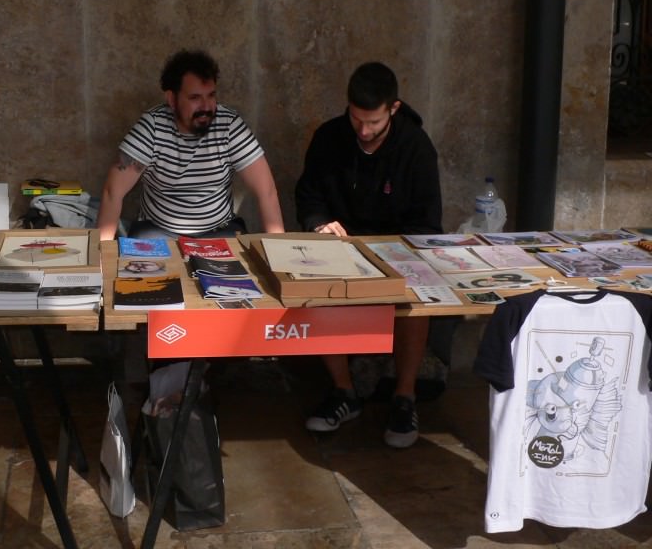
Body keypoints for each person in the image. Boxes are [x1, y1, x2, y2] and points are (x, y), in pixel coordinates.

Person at [294, 61, 442, 448]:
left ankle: (404, 397)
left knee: (416, 296)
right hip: (340, 251)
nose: (363, 130)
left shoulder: (416, 147)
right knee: (315, 290)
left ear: (393, 109)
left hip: (397, 251)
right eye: (356, 118)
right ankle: (344, 392)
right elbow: (308, 196)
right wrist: (319, 225)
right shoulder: (330, 137)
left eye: (373, 122)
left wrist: (394, 252)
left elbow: (428, 223)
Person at [97, 49, 284, 241]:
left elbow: (266, 191)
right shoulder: (151, 128)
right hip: (158, 231)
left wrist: (280, 253)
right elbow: (113, 192)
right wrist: (102, 257)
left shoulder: (229, 125)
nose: (205, 106)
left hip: (218, 231)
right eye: (195, 98)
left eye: (211, 95)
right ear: (172, 99)